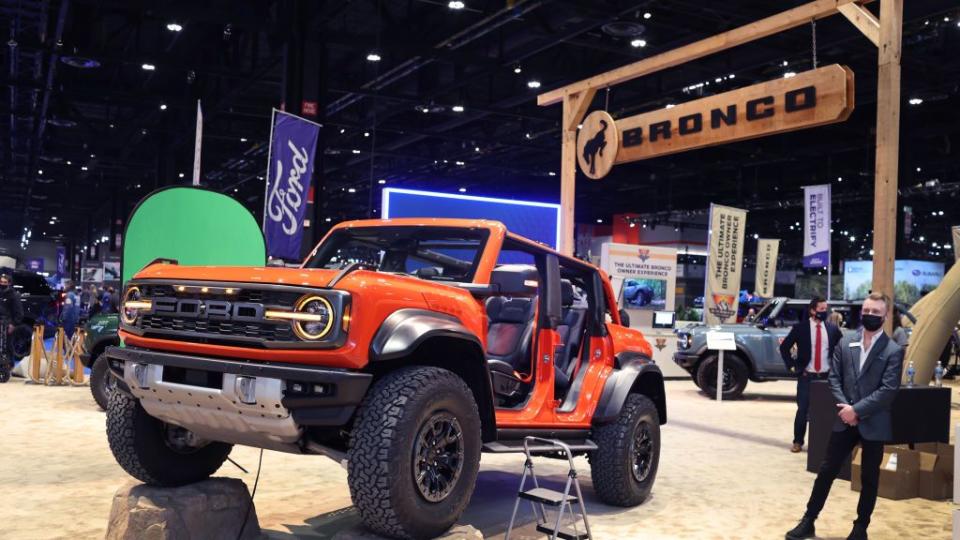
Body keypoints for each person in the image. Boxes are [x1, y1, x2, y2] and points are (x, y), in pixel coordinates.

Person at [785, 293, 904, 540]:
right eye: (867, 311)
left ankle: (861, 528)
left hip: (873, 422)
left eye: (876, 312)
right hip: (844, 419)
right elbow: (834, 377)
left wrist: (856, 411)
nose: (870, 315)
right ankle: (808, 520)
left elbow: (888, 390)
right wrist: (846, 410)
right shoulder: (846, 340)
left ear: (885, 315)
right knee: (826, 471)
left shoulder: (893, 350)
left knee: (870, 478)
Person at [779, 297, 843, 453]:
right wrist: (792, 366)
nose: (824, 311)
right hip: (807, 376)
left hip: (826, 377)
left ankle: (824, 443)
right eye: (821, 309)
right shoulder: (800, 328)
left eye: (825, 308)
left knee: (827, 411)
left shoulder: (833, 329)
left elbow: (841, 350)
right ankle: (798, 442)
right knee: (802, 410)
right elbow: (784, 348)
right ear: (813, 310)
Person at [0, 273, 24, 366]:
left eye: (5, 282)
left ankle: (9, 365)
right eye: (1, 282)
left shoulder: (14, 295)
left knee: (7, 345)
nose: (2, 284)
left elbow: (19, 312)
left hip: (7, 324)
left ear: (9, 283)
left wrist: (13, 324)